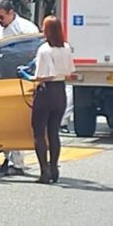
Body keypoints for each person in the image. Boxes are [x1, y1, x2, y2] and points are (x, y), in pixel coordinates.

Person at [19, 15, 75, 184]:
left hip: (46, 93)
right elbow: (69, 72)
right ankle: (54, 167)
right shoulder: (66, 48)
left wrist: (26, 75)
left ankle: (44, 171)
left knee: (39, 133)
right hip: (60, 93)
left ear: (48, 31)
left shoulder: (44, 49)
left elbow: (43, 76)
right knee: (53, 133)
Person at [0, 0, 39, 176]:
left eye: (2, 17)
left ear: (11, 13)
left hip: (20, 81)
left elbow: (34, 55)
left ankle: (17, 163)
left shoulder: (27, 29)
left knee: (16, 121)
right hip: (3, 78)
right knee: (3, 122)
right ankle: (7, 157)